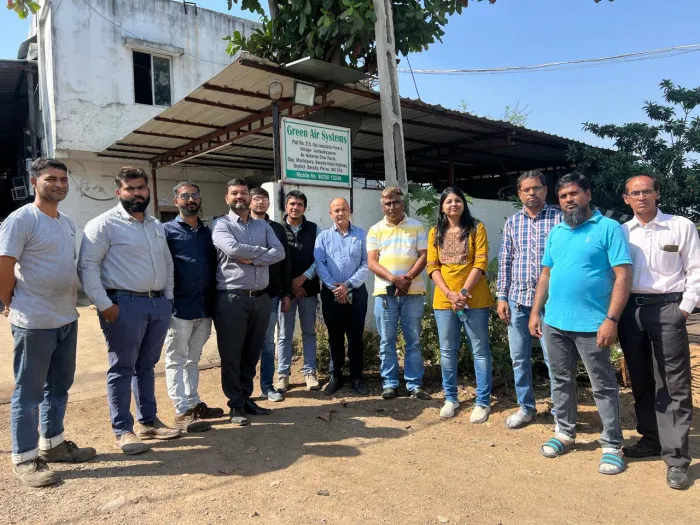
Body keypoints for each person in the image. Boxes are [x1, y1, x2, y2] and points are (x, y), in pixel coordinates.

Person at [0, 158, 95, 487]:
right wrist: (9, 301)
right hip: (34, 320)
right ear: (34, 182)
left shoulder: (66, 222)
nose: (58, 184)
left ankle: (52, 444)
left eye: (63, 179)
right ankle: (25, 458)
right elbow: (4, 265)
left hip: (66, 317)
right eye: (51, 179)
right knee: (28, 392)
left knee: (58, 387)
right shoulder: (21, 219)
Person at [529, 172, 632, 476]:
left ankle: (612, 444)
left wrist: (611, 319)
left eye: (574, 193)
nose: (568, 200)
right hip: (555, 323)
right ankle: (564, 432)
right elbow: (546, 274)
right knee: (561, 380)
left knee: (602, 385)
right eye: (563, 196)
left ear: (587, 194)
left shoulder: (608, 228)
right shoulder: (557, 231)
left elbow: (623, 275)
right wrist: (536, 312)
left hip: (593, 324)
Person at [78, 166, 180, 455]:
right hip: (123, 305)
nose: (137, 193)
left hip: (157, 304)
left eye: (141, 188)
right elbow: (87, 266)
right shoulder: (103, 224)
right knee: (122, 367)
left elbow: (167, 263)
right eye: (130, 188)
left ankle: (148, 421)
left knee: (146, 366)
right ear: (118, 192)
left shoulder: (155, 225)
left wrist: (168, 299)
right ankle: (123, 430)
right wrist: (105, 305)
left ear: (148, 190)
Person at [618, 174, 699, 490]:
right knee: (640, 378)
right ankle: (651, 439)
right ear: (626, 199)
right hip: (631, 311)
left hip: (667, 308)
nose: (641, 197)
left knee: (673, 382)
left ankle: (677, 459)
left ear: (657, 194)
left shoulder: (681, 226)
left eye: (647, 191)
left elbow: (696, 270)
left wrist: (684, 308)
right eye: (635, 193)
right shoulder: (622, 232)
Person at [212, 178, 285, 425]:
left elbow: (280, 252)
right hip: (232, 299)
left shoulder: (263, 226)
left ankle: (246, 398)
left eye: (243, 192)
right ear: (227, 197)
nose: (239, 197)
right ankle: (235, 405)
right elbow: (233, 250)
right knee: (232, 354)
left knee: (252, 353)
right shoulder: (221, 225)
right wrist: (263, 254)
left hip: (260, 299)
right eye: (234, 193)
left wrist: (252, 259)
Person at [497, 171, 562, 429]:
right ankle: (526, 407)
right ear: (519, 194)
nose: (532, 193)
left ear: (545, 190)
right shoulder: (513, 223)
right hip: (518, 301)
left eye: (536, 188)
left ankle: (560, 412)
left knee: (553, 359)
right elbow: (505, 261)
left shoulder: (560, 219)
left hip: (551, 302)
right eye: (526, 190)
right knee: (519, 358)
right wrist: (502, 296)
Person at [162, 181, 224, 434]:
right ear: (176, 201)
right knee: (175, 358)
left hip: (204, 306)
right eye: (185, 196)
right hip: (180, 307)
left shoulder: (208, 232)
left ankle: (194, 402)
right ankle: (181, 410)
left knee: (193, 358)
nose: (190, 200)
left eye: (195, 195)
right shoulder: (166, 231)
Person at [427, 187, 494, 422]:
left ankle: (483, 401)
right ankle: (451, 398)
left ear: (464, 204)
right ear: (442, 207)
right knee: (447, 351)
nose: (453, 204)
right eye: (448, 201)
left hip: (474, 299)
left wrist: (463, 293)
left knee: (480, 350)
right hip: (444, 300)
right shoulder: (435, 232)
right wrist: (450, 294)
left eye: (458, 200)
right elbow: (432, 266)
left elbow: (481, 261)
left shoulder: (476, 228)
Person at [367, 186, 430, 400]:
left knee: (414, 340)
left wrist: (407, 278)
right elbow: (372, 262)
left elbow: (424, 256)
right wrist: (395, 279)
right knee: (387, 341)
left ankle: (414, 384)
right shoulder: (375, 230)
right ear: (382, 206)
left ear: (403, 204)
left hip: (413, 293)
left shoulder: (416, 226)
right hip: (385, 294)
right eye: (387, 203)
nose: (392, 207)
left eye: (396, 202)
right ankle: (389, 383)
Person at [314, 197, 370, 396]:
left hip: (356, 293)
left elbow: (366, 264)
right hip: (331, 295)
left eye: (343, 209)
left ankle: (357, 377)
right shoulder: (323, 237)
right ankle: (335, 376)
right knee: (335, 337)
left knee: (356, 337)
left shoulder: (361, 235)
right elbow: (320, 264)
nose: (340, 213)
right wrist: (335, 288)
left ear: (349, 211)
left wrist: (347, 286)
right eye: (336, 210)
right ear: (331, 214)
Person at [275, 190, 322, 392]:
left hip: (308, 290)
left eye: (300, 204)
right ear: (286, 206)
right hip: (285, 292)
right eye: (292, 204)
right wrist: (291, 285)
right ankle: (282, 375)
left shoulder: (314, 229)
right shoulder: (276, 229)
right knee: (284, 334)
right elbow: (275, 261)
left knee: (309, 332)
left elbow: (320, 258)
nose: (296, 207)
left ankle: (310, 372)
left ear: (305, 207)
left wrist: (303, 279)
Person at [250, 186, 292, 403]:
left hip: (272, 295)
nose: (261, 202)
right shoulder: (242, 227)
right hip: (246, 295)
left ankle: (267, 386)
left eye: (264, 199)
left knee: (268, 342)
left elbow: (285, 262)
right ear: (249, 201)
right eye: (257, 198)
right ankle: (244, 390)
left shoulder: (277, 229)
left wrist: (286, 293)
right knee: (247, 343)